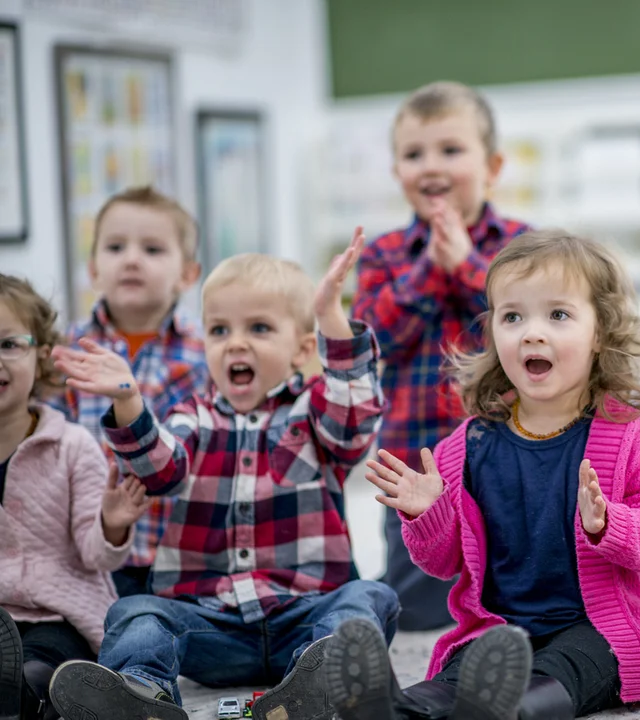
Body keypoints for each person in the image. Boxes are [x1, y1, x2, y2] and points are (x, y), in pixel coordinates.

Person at [328, 230, 640, 720]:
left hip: (596, 627)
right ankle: (394, 709)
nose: (532, 332)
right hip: (498, 627)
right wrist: (428, 514)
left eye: (557, 315)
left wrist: (608, 524)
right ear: (493, 331)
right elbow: (444, 562)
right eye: (513, 316)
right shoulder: (468, 445)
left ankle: (508, 711)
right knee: (460, 671)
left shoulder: (626, 435)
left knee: (578, 663)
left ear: (599, 332)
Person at [47, 231, 399, 720]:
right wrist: (129, 401)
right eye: (218, 330)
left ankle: (324, 684)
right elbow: (161, 469)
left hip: (304, 613)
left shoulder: (315, 412)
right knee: (136, 612)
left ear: (300, 351)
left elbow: (354, 418)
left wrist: (330, 321)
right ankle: (141, 694)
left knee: (369, 597)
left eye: (258, 328)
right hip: (210, 626)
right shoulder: (193, 415)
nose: (235, 343)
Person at [351, 81, 530, 631]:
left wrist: (471, 266)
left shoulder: (524, 246)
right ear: (396, 170)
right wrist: (432, 268)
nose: (431, 166)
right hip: (413, 461)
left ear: (492, 166)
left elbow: (528, 326)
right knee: (415, 607)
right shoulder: (382, 254)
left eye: (450, 150)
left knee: (512, 588)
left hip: (509, 454)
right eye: (413, 154)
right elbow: (371, 340)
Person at [0, 274, 145, 720]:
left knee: (47, 663)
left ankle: (32, 695)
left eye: (9, 344)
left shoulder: (73, 445)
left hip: (58, 613)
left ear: (42, 356)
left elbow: (96, 555)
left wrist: (112, 523)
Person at [54, 186, 208, 598]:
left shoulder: (207, 354)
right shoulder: (69, 352)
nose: (132, 259)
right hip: (87, 551)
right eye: (116, 246)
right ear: (93, 269)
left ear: (188, 274)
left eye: (153, 249)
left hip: (184, 555)